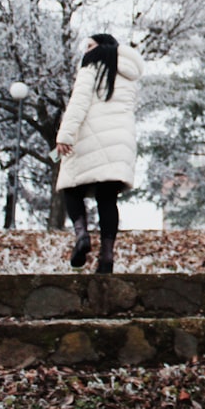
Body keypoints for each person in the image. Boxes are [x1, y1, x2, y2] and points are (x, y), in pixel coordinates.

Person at [54, 33, 144, 273]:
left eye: (90, 45)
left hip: (89, 137)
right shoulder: (129, 76)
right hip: (120, 140)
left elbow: (79, 102)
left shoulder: (91, 66)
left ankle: (82, 236)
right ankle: (107, 256)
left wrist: (65, 135)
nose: (86, 49)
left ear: (101, 47)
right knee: (107, 199)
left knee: (70, 188)